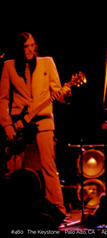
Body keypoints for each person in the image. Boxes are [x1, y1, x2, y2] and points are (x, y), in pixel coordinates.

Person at [0, 32, 72, 219]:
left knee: (49, 165)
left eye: (32, 45)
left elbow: (57, 92)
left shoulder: (47, 63)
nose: (30, 49)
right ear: (19, 48)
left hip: (43, 119)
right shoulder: (8, 66)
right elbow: (3, 99)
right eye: (26, 46)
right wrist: (7, 125)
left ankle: (58, 209)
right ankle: (13, 210)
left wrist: (66, 93)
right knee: (14, 168)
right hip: (18, 122)